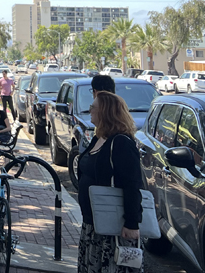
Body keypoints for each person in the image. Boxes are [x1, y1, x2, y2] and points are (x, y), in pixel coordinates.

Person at [76, 91, 144, 273]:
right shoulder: (99, 138)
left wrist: (131, 223)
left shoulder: (121, 143)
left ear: (105, 112)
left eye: (93, 108)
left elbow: (132, 184)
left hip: (112, 228)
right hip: (93, 224)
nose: (89, 111)